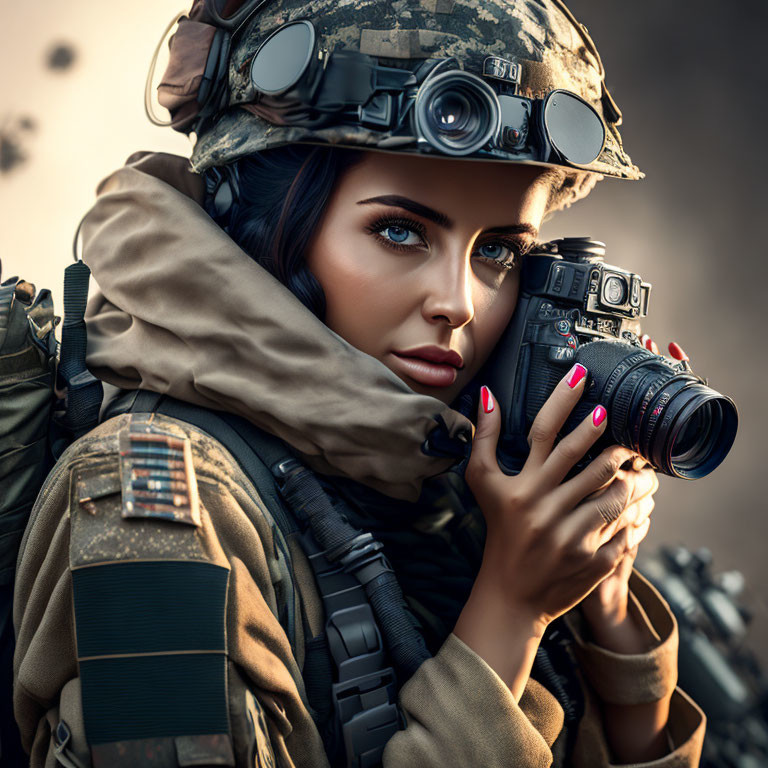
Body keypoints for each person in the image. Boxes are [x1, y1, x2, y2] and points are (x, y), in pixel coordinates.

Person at [12, 1, 706, 766]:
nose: (460, 302)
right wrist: (510, 611)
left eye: (500, 251)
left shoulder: (439, 471)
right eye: (401, 231)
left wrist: (595, 598)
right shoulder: (151, 510)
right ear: (268, 228)